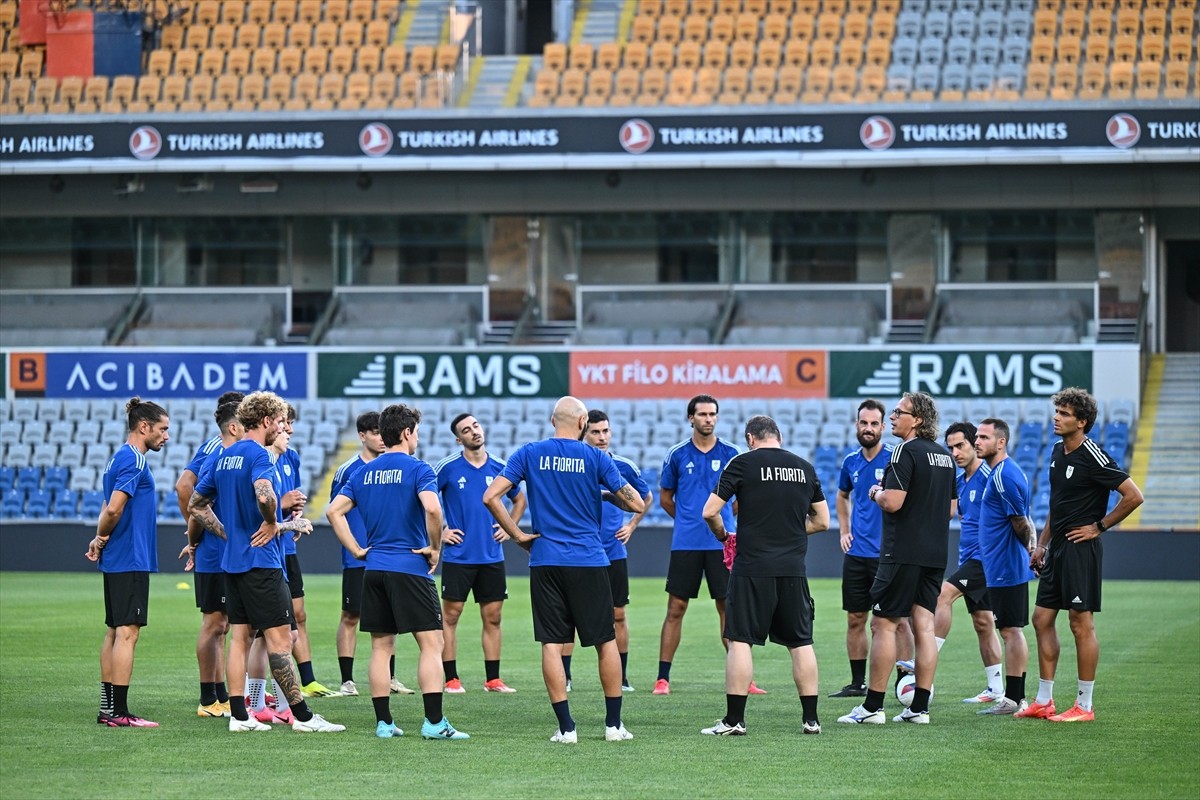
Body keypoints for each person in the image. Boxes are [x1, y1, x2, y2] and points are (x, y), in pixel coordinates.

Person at [483, 396, 645, 744]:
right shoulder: (596, 457)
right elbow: (635, 501)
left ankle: (567, 728)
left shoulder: (529, 452)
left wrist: (517, 536)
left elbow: (491, 496)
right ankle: (613, 726)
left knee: (552, 644)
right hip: (589, 559)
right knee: (605, 641)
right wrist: (605, 494)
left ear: (552, 420)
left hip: (546, 559)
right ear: (583, 422)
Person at [189, 391, 344, 733]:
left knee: (240, 638)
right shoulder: (260, 455)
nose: (282, 427)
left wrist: (227, 534)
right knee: (281, 641)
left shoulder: (224, 456)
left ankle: (239, 717)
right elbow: (264, 493)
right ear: (265, 421)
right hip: (261, 562)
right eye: (278, 421)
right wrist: (274, 521)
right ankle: (303, 718)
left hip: (232, 563)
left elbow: (196, 504)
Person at [326, 403, 469, 741]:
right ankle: (434, 723)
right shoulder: (419, 469)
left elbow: (333, 512)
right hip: (410, 568)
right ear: (406, 433)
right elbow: (433, 508)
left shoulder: (363, 472)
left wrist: (357, 550)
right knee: (431, 643)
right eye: (416, 432)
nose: (417, 438)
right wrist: (435, 547)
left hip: (373, 568)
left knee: (381, 646)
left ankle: (384, 723)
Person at [699, 416, 829, 737]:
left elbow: (709, 511)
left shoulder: (742, 463)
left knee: (740, 640)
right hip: (793, 569)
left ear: (750, 439)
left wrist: (723, 536)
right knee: (800, 642)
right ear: (779, 437)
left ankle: (734, 721)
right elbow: (823, 521)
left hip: (752, 569)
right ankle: (811, 720)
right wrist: (788, 533)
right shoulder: (804, 467)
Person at [1019, 388, 1144, 723]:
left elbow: (1134, 496)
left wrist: (1099, 527)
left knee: (1080, 623)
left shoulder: (1093, 455)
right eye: (1057, 411)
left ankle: (1084, 706)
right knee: (1041, 619)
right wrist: (1042, 544)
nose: (1056, 418)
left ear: (1082, 421)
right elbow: (1057, 504)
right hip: (1057, 548)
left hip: (1080, 549)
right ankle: (1043, 701)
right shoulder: (1057, 451)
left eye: (1064, 414)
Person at [837, 392, 956, 726]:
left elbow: (892, 502)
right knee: (924, 625)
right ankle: (919, 708)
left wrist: (876, 492)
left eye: (898, 412)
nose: (892, 417)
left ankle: (872, 707)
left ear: (917, 420)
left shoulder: (904, 451)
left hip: (902, 551)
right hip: (935, 552)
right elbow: (950, 509)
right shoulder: (945, 456)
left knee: (883, 624)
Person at [655, 395, 762, 696]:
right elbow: (666, 498)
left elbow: (742, 498)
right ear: (691, 418)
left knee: (728, 608)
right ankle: (662, 679)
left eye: (713, 414)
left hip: (723, 543)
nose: (708, 419)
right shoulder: (676, 454)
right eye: (702, 414)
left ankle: (745, 679)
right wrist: (688, 520)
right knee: (676, 608)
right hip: (686, 543)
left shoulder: (732, 453)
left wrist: (724, 521)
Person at [87, 397, 170, 728]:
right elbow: (114, 508)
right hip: (131, 556)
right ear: (144, 427)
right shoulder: (135, 460)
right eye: (163, 429)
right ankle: (119, 713)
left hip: (117, 557)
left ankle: (108, 708)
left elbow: (106, 505)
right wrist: (101, 536)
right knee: (127, 633)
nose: (166, 436)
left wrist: (99, 538)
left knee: (113, 631)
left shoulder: (116, 459)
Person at [560, 410, 653, 693]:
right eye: (595, 432)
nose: (602, 437)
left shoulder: (623, 466)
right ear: (583, 433)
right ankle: (565, 676)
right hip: (578, 552)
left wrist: (632, 525)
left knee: (618, 615)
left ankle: (621, 677)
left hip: (612, 552)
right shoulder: (573, 466)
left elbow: (646, 497)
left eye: (605, 431)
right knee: (569, 617)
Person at [434, 412, 527, 694]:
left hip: (491, 556)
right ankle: (451, 679)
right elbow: (423, 501)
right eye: (466, 429)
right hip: (458, 556)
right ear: (458, 439)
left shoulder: (500, 466)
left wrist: (510, 528)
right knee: (450, 617)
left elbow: (519, 499)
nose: (474, 431)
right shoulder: (447, 467)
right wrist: (441, 532)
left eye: (475, 425)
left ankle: (493, 679)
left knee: (493, 618)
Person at [831, 399, 914, 698]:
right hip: (856, 555)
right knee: (856, 619)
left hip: (887, 555)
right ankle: (857, 683)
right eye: (863, 423)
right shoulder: (850, 461)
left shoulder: (896, 458)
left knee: (898, 621)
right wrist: (844, 530)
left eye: (874, 423)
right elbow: (842, 496)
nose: (868, 428)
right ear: (857, 425)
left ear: (882, 426)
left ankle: (905, 683)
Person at [331, 411, 412, 696]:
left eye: (382, 432)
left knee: (390, 617)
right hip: (359, 556)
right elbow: (336, 512)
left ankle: (390, 677)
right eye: (374, 432)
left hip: (387, 554)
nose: (380, 438)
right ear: (362, 435)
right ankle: (347, 680)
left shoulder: (395, 467)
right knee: (351, 615)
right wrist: (353, 547)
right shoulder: (348, 471)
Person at [177, 394, 243, 719]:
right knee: (214, 622)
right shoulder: (220, 452)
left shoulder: (214, 447)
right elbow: (185, 488)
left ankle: (220, 694)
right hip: (216, 550)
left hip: (221, 549)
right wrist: (197, 534)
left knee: (222, 624)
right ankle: (207, 697)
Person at [932, 421, 1005, 704]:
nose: (955, 453)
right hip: (969, 557)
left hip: (985, 559)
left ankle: (926, 656)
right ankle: (996, 689)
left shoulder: (989, 476)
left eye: (960, 446)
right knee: (983, 623)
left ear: (975, 443)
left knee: (943, 594)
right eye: (950, 448)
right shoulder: (960, 481)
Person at [972, 418, 1037, 716]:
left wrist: (1032, 552)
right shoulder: (1001, 473)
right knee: (1010, 630)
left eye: (984, 437)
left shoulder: (1003, 476)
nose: (977, 442)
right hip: (1000, 565)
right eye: (977, 436)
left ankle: (1014, 698)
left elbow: (1021, 522)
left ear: (1001, 442)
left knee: (1011, 631)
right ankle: (1014, 697)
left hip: (1006, 567)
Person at [275, 403, 338, 698]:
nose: (290, 429)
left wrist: (294, 516)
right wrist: (282, 504)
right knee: (265, 627)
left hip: (286, 546)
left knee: (298, 614)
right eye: (285, 422)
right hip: (266, 548)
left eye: (291, 423)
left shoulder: (292, 457)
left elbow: (294, 498)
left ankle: (308, 680)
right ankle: (256, 691)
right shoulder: (260, 458)